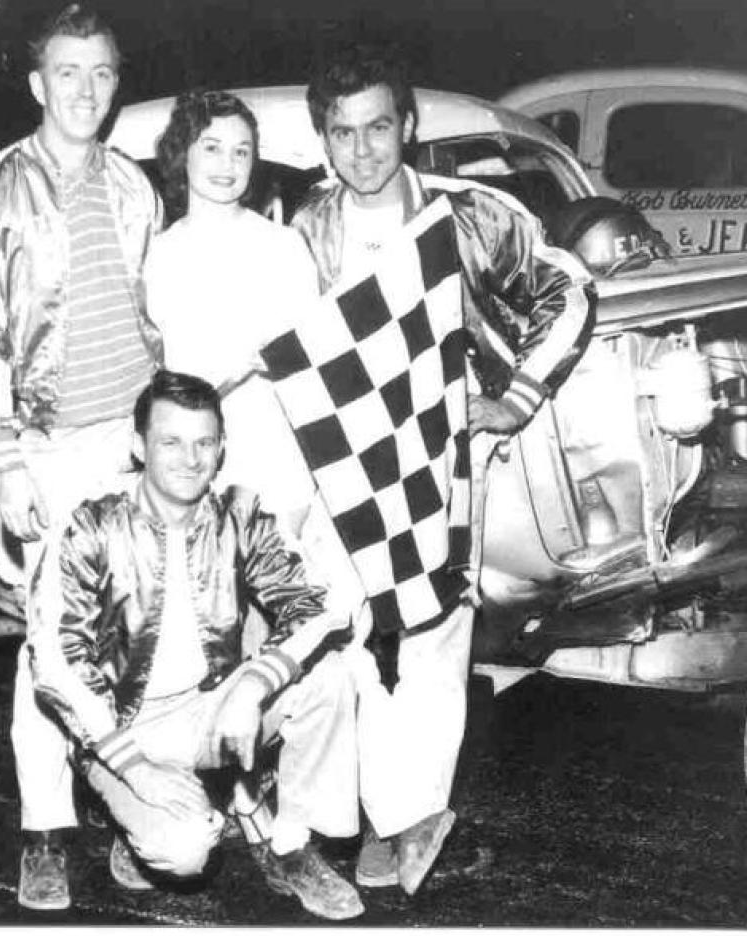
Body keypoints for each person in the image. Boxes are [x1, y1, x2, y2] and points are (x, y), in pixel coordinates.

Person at [284, 44, 595, 895]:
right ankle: (359, 821)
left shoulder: (470, 215)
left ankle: (411, 825)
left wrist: (515, 396)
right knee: (348, 638)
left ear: (408, 126)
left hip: (443, 462)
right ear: (323, 139)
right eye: (342, 133)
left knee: (432, 641)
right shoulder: (303, 229)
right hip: (340, 464)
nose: (362, 150)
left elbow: (568, 289)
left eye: (378, 127)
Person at [0, 3, 162, 911]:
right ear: (38, 84)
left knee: (138, 639)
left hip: (136, 449)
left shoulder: (136, 187)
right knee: (55, 645)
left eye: (102, 72)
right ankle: (44, 831)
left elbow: (152, 313)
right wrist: (5, 458)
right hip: (48, 449)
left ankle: (131, 816)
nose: (85, 89)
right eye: (68, 71)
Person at [27, 369, 366, 920]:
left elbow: (321, 603)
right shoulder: (89, 526)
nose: (190, 459)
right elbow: (54, 663)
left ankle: (291, 846)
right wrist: (137, 768)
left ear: (221, 448)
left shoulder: (238, 515)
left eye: (204, 443)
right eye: (171, 442)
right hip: (121, 727)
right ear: (139, 447)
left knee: (331, 676)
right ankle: (135, 819)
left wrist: (253, 685)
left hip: (210, 708)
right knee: (184, 851)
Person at [144, 89, 324, 534]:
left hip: (276, 457)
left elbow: (311, 360)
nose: (228, 165)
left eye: (241, 151)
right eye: (212, 148)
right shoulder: (159, 255)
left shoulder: (284, 247)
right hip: (191, 465)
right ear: (182, 154)